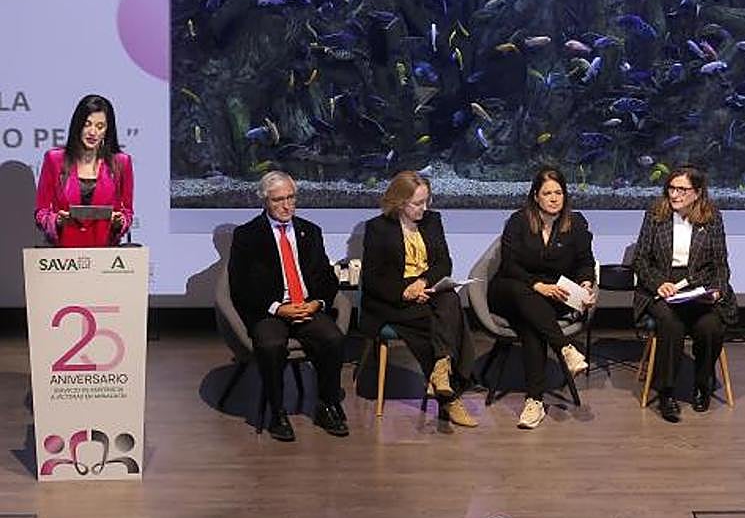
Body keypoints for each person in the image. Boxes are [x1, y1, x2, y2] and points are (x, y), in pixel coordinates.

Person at [228, 171, 347, 442]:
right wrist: (277, 308)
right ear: (265, 201)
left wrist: (317, 303)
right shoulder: (247, 235)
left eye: (291, 198)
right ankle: (277, 412)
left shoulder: (310, 232)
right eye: (278, 200)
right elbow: (241, 286)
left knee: (333, 339)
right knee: (271, 345)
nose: (286, 206)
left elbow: (326, 277)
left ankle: (327, 404)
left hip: (306, 307)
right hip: (270, 310)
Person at [360, 171, 477, 428]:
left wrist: (423, 282)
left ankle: (441, 371)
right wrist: (405, 292)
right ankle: (449, 394)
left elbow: (444, 263)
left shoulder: (432, 221)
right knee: (440, 321)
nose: (424, 208)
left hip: (426, 288)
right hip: (393, 298)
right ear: (400, 202)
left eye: (427, 201)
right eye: (417, 203)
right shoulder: (378, 228)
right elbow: (372, 279)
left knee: (450, 300)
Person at [488, 167, 595, 430]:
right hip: (511, 289)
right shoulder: (518, 221)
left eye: (558, 192)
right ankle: (564, 348)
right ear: (536, 196)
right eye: (547, 193)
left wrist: (585, 284)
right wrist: (537, 285)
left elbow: (585, 262)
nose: (554, 198)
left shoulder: (576, 223)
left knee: (531, 325)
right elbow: (510, 265)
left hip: (548, 299)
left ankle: (534, 401)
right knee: (523, 295)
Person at [632, 165, 737, 422]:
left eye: (682, 189)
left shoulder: (712, 217)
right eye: (672, 188)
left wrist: (716, 291)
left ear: (697, 192)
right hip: (663, 286)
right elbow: (641, 260)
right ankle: (666, 392)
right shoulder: (655, 214)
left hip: (700, 285)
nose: (675, 194)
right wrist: (659, 284)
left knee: (710, 326)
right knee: (671, 324)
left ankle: (703, 383)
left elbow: (720, 264)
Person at [35, 94, 133, 247]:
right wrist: (57, 220)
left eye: (100, 126)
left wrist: (120, 222)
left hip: (105, 254)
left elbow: (127, 212)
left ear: (107, 130)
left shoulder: (121, 163)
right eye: (87, 124)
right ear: (78, 125)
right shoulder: (54, 160)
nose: (93, 132)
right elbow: (41, 212)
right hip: (65, 254)